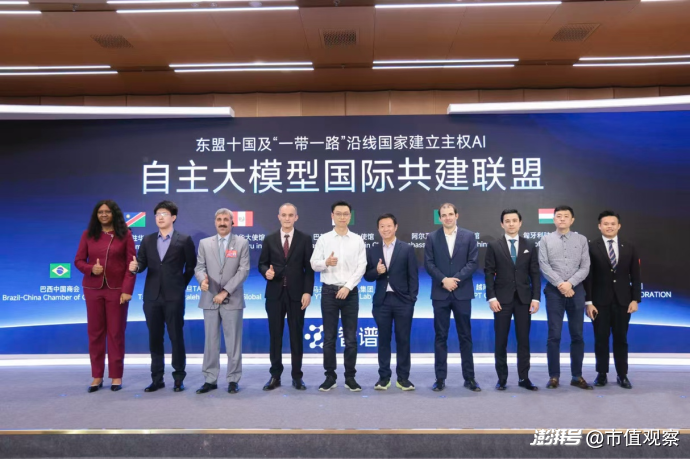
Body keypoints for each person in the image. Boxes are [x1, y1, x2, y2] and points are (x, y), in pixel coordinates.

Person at [129, 201, 196, 393]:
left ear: (173, 217)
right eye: (157, 213)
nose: (160, 217)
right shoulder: (148, 240)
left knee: (176, 337)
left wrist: (180, 285)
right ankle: (157, 379)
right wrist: (135, 268)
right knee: (154, 338)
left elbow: (191, 267)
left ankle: (178, 377)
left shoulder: (184, 240)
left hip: (174, 296)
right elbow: (141, 264)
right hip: (152, 297)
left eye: (164, 213)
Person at [74, 200, 136, 392]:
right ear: (96, 215)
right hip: (93, 289)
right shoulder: (88, 235)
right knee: (95, 333)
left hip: (117, 290)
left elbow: (131, 265)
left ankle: (116, 376)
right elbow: (78, 261)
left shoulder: (125, 235)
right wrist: (90, 269)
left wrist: (127, 289)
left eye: (107, 212)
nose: (103, 215)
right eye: (100, 212)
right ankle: (97, 376)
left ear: (114, 214)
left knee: (116, 333)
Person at [310, 201, 366, 392]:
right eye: (338, 213)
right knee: (329, 338)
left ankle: (350, 377)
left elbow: (362, 267)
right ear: (332, 216)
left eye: (346, 214)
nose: (342, 217)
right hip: (329, 292)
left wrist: (348, 287)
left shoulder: (357, 240)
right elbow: (313, 264)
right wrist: (326, 262)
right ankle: (330, 376)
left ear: (350, 216)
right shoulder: (324, 239)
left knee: (351, 338)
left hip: (350, 293)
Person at [258, 203, 314, 391]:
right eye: (284, 215)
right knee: (275, 336)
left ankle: (297, 376)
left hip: (297, 295)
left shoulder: (305, 239)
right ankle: (275, 375)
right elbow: (262, 264)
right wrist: (266, 272)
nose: (287, 218)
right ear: (279, 217)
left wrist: (307, 292)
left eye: (291, 215)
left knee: (296, 336)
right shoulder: (269, 239)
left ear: (296, 217)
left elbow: (309, 269)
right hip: (274, 295)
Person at [424, 203, 480, 392]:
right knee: (440, 336)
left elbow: (473, 262)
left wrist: (455, 280)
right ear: (440, 218)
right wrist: (444, 280)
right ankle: (440, 379)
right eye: (444, 215)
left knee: (465, 336)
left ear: (457, 215)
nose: (447, 217)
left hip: (462, 293)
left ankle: (469, 378)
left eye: (450, 214)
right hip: (440, 294)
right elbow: (429, 263)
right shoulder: (432, 237)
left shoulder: (469, 236)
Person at [194, 208, 250, 395]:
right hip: (209, 298)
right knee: (210, 342)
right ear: (215, 222)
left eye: (226, 219)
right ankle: (210, 379)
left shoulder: (241, 243)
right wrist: (202, 280)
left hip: (232, 299)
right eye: (219, 219)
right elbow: (199, 267)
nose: (222, 222)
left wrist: (225, 291)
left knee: (233, 342)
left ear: (232, 222)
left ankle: (233, 379)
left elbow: (243, 271)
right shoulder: (204, 243)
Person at [484, 209, 540, 391]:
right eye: (507, 221)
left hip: (524, 300)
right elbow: (488, 272)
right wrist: (491, 297)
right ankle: (502, 379)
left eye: (514, 220)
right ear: (502, 224)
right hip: (501, 300)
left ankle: (524, 378)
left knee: (523, 341)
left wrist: (536, 298)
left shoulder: (530, 245)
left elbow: (535, 273)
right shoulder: (494, 245)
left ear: (520, 223)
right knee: (501, 340)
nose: (511, 224)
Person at [584, 210, 641, 389]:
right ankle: (601, 374)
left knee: (621, 339)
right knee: (600, 339)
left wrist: (635, 299)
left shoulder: (629, 247)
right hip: (599, 302)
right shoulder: (591, 247)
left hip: (623, 302)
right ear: (599, 226)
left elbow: (636, 275)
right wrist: (589, 302)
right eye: (606, 224)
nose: (609, 226)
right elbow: (588, 277)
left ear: (619, 226)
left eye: (613, 224)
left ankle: (622, 374)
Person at [538, 205, 592, 390]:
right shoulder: (545, 240)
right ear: (554, 219)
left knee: (577, 335)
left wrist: (570, 284)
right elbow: (544, 265)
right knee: (554, 335)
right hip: (554, 292)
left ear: (572, 220)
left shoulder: (581, 240)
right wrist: (561, 284)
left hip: (576, 291)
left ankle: (577, 376)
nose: (562, 219)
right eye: (558, 216)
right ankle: (554, 376)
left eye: (566, 216)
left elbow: (585, 266)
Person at [364, 213, 418, 391]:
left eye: (389, 226)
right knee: (383, 340)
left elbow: (413, 276)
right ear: (378, 229)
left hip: (403, 301)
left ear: (395, 227)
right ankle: (384, 378)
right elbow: (367, 276)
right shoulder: (373, 250)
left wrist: (411, 299)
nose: (385, 229)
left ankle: (403, 378)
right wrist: (377, 271)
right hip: (382, 301)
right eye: (382, 226)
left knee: (403, 340)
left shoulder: (406, 249)